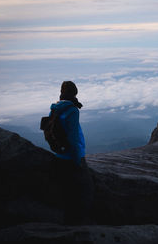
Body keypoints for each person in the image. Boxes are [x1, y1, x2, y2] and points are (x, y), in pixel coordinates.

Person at [50, 81, 93, 225]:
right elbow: (73, 138)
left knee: (67, 192)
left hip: (59, 155)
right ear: (74, 93)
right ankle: (78, 225)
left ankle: (67, 221)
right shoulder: (72, 110)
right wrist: (77, 161)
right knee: (83, 192)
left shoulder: (55, 108)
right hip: (73, 156)